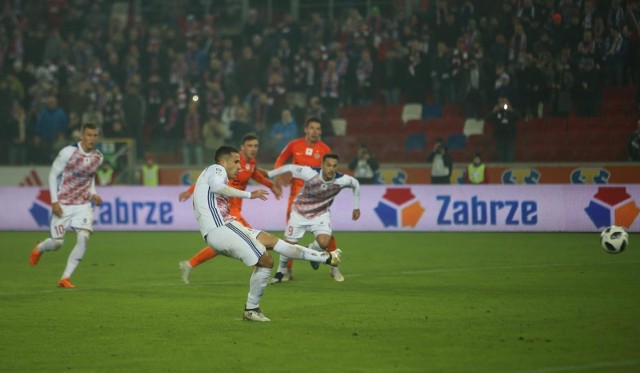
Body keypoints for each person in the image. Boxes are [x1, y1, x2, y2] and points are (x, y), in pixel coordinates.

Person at [191, 146, 342, 321]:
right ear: (223, 162)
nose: (240, 166)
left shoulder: (209, 174)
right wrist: (249, 194)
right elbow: (217, 187)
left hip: (227, 225)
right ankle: (251, 309)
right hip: (220, 228)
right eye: (236, 161)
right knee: (266, 261)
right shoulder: (216, 169)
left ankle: (326, 258)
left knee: (272, 241)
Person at [178, 134, 282, 284]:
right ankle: (261, 273)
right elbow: (211, 181)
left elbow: (257, 176)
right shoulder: (229, 164)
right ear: (242, 147)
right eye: (250, 146)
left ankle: (189, 264)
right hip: (226, 208)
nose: (253, 149)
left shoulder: (251, 164)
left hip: (236, 208)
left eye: (256, 146)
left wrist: (272, 186)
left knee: (224, 244)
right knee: (250, 240)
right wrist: (189, 191)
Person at [29, 123, 104, 288]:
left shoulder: (98, 157)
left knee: (84, 237)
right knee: (57, 244)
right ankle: (40, 247)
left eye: (95, 135)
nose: (92, 138)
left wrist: (93, 194)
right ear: (81, 136)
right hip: (63, 204)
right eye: (89, 135)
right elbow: (52, 175)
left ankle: (65, 278)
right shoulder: (68, 152)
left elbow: (90, 178)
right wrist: (54, 201)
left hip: (83, 205)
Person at [269, 153, 360, 283]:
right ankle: (280, 271)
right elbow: (289, 167)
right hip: (300, 212)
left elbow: (355, 183)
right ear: (322, 165)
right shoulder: (310, 172)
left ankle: (312, 250)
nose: (331, 169)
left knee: (324, 243)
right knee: (289, 245)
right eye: (328, 165)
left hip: (320, 213)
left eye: (334, 166)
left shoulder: (341, 180)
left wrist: (356, 207)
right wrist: (270, 175)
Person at [273, 117, 334, 281]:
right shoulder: (294, 145)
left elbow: (330, 172)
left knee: (324, 238)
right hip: (295, 198)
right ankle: (287, 271)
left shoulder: (325, 150)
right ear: (306, 130)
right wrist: (277, 176)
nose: (315, 132)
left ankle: (314, 250)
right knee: (290, 237)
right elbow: (280, 159)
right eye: (312, 128)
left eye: (318, 129)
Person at [486, 97, 520, 163]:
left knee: (510, 156)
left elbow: (519, 117)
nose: (503, 104)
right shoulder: (496, 112)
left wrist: (511, 109)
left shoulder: (511, 112)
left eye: (505, 102)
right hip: (499, 137)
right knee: (501, 156)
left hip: (510, 137)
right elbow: (487, 119)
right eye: (502, 102)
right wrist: (493, 111)